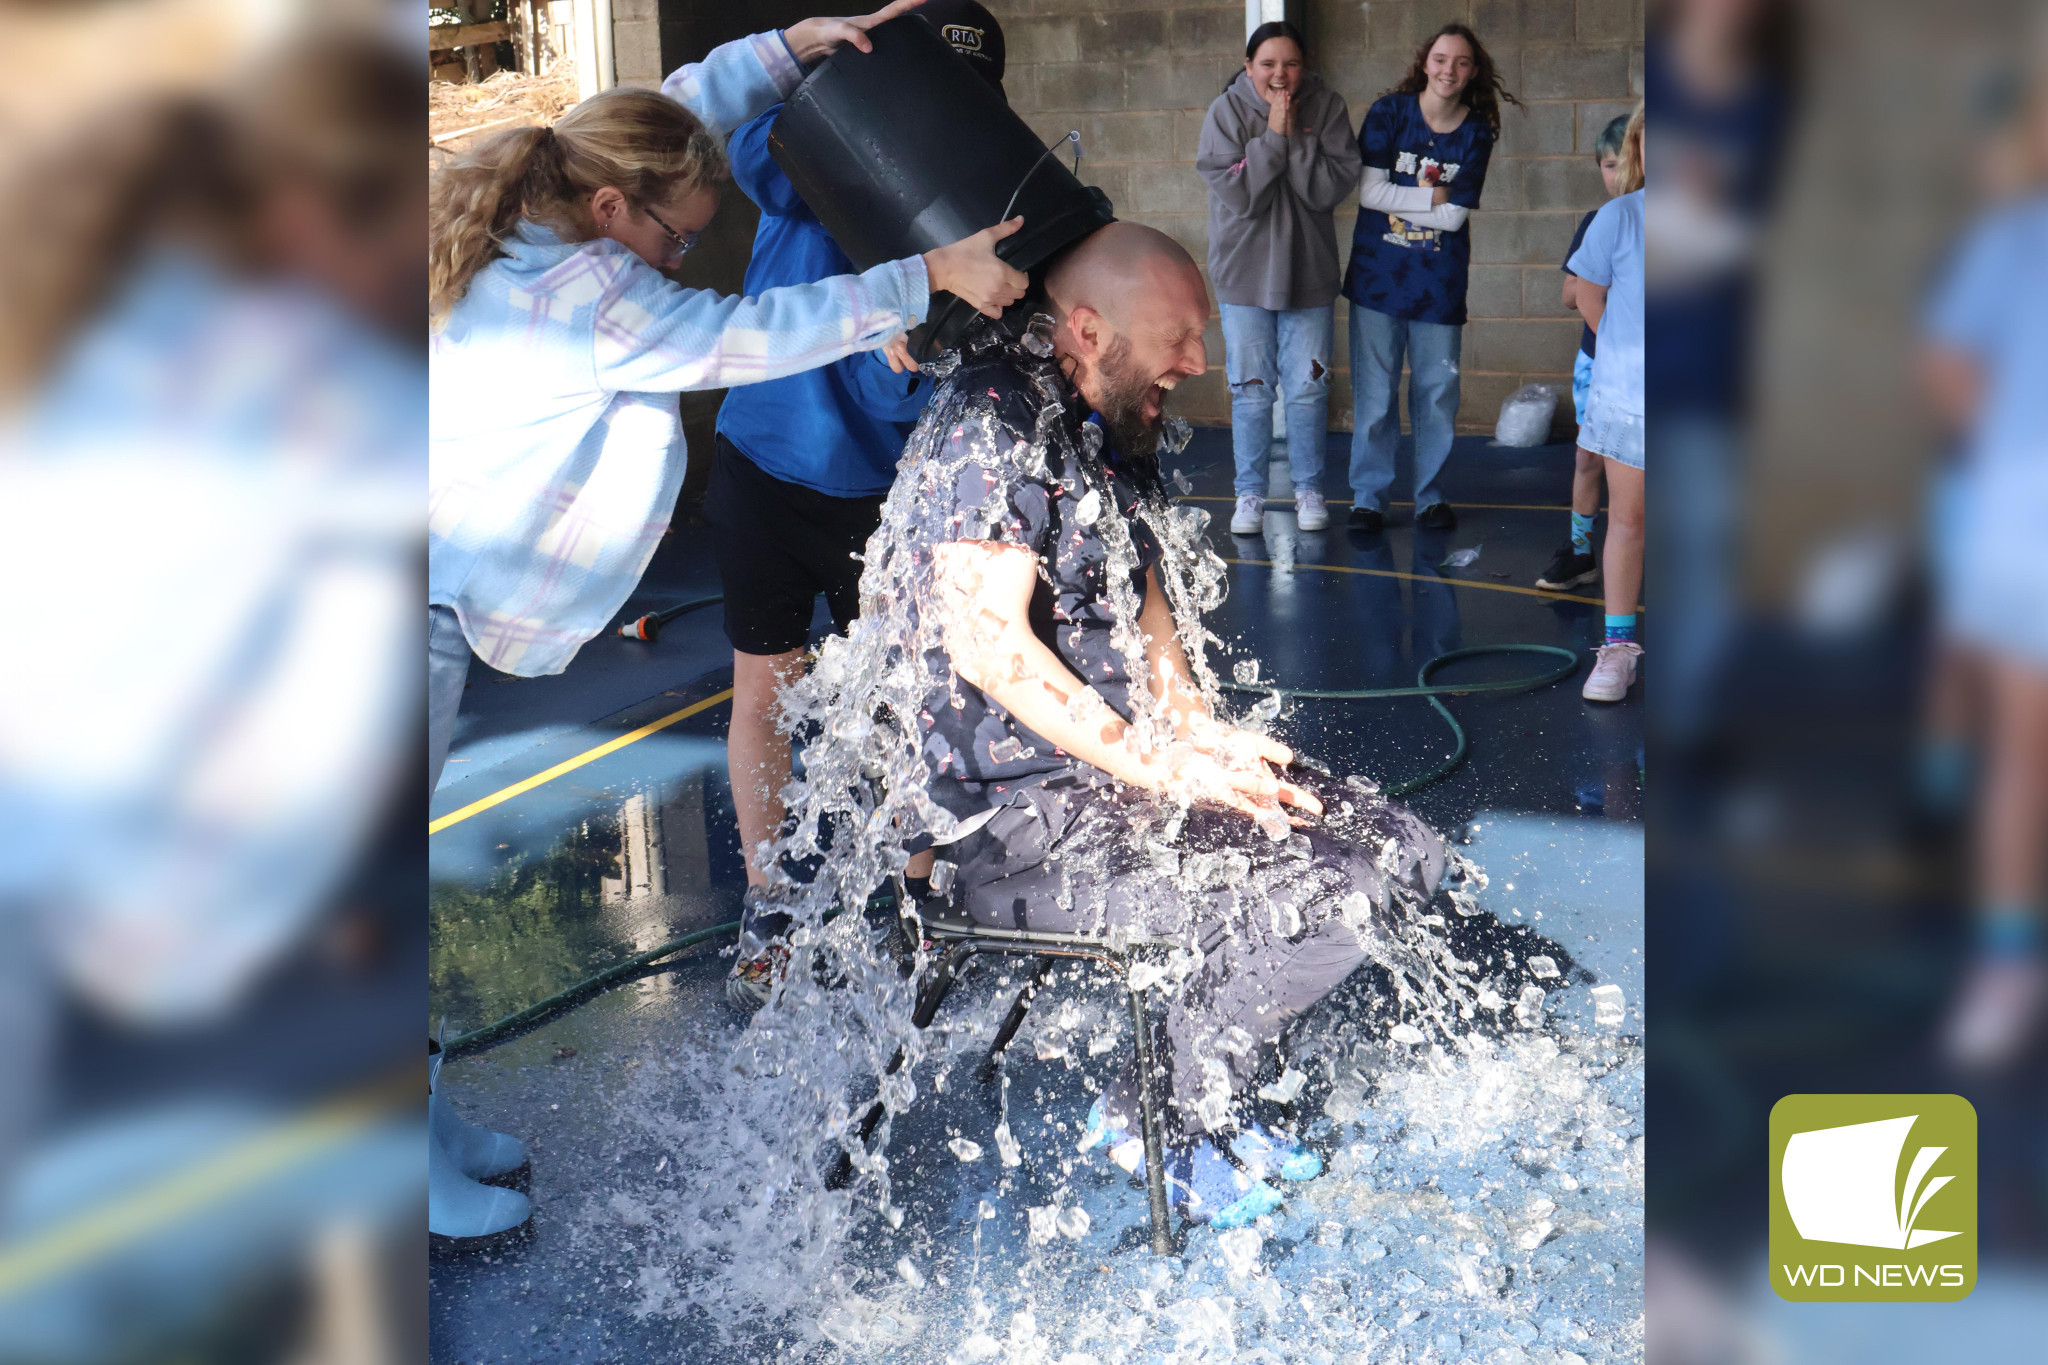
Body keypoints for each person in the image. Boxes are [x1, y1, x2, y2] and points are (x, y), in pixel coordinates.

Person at [803, 223, 1447, 1226]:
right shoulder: (991, 424)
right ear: (1088, 327)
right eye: (1179, 337)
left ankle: (1206, 1075)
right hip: (1012, 834)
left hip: (1102, 787)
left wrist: (1197, 735)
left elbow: (1142, 616)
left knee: (1398, 852)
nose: (1198, 360)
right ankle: (1165, 1114)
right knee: (1316, 901)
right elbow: (987, 644)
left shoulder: (1097, 420)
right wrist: (1159, 767)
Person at [426, 6, 1027, 795]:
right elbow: (753, 334)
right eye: (677, 238)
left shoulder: (541, 193)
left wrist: (788, 48)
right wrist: (928, 275)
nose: (678, 262)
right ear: (612, 208)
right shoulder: (594, 301)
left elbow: (669, 114)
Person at [713, 0, 1008, 1006]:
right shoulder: (808, 156)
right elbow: (748, 153)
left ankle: (915, 901)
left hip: (881, 495)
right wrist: (811, 74)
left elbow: (933, 377)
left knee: (906, 702)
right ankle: (768, 900)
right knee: (766, 688)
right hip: (763, 458)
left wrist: (926, 342)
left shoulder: (973, 217)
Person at [1922, 75, 2048, 1070]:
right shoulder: (2011, 240)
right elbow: (1950, 368)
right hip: (2023, 530)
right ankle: (2008, 958)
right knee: (2022, 750)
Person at [1341, 23, 1517, 533]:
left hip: (1439, 286)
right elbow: (1369, 194)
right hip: (1378, 282)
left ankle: (1430, 496)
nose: (1449, 70)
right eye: (1441, 59)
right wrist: (1434, 197)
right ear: (1425, 62)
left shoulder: (1476, 132)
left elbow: (1455, 218)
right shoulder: (1389, 113)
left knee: (1437, 395)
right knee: (1374, 397)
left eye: (1462, 62)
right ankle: (1369, 498)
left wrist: (1422, 201)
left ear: (1473, 72)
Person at [1195, 20, 1362, 537]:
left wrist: (1286, 140)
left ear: (1304, 66)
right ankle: (1250, 495)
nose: (1280, 74)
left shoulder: (1328, 108)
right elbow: (1241, 196)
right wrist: (1274, 136)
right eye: (1268, 64)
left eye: (1290, 63)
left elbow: (1329, 188)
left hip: (1308, 274)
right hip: (1243, 276)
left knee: (1309, 389)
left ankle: (1310, 489)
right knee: (1250, 390)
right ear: (1249, 67)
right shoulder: (1224, 113)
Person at [1567, 103, 1647, 703]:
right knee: (1627, 521)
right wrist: (1622, 361)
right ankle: (1618, 648)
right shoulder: (1620, 217)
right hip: (1633, 403)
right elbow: (1589, 296)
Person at [1537, 113, 1633, 593]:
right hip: (1601, 361)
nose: (1618, 174)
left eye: (1627, 162)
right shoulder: (1601, 221)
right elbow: (1571, 294)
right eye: (1608, 164)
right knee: (1589, 458)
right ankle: (1579, 551)